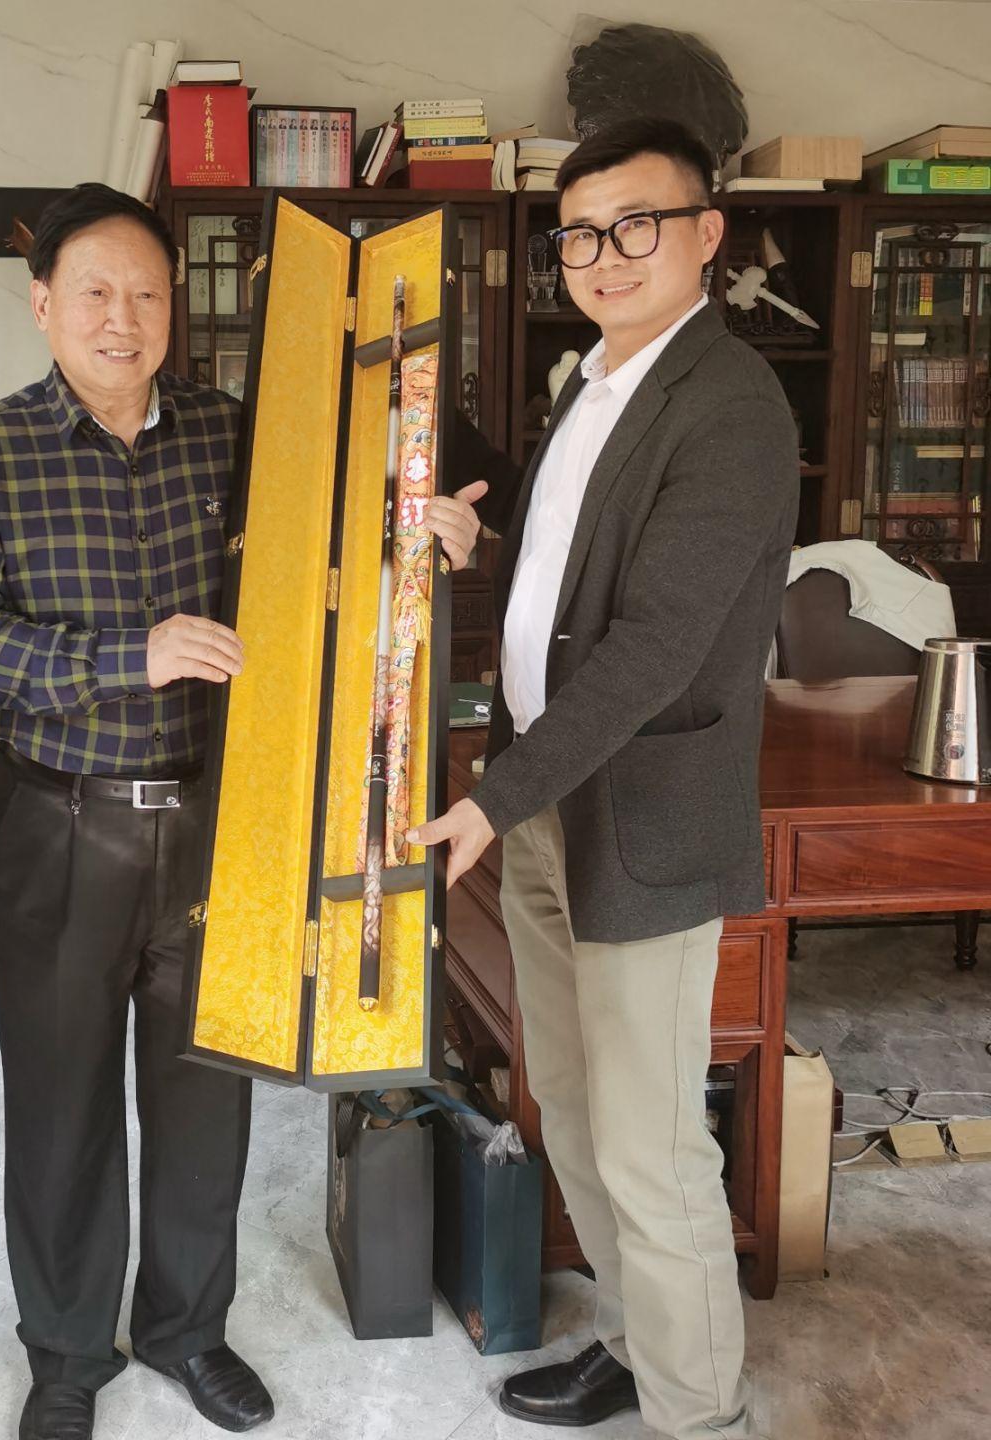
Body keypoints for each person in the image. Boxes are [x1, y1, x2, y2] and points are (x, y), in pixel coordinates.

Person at [0, 182, 483, 1440]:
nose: (122, 318)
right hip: (58, 823)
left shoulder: (238, 434)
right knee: (59, 1105)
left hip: (224, 823)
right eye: (96, 292)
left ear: (175, 309)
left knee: (203, 1098)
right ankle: (68, 1354)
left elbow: (334, 549)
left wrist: (421, 532)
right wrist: (131, 656)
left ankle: (185, 1328)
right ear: (44, 304)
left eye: (147, 294)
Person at [411, 119, 799, 1440]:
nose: (605, 254)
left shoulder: (731, 403)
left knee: (650, 1144)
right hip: (544, 806)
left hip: (639, 824)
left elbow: (655, 644)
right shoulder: (594, 383)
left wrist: (490, 798)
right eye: (580, 234)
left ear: (707, 233)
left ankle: (701, 1414)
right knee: (573, 1111)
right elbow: (571, 577)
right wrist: (485, 546)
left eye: (638, 223)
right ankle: (636, 1350)